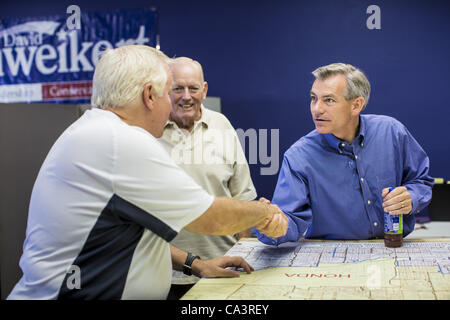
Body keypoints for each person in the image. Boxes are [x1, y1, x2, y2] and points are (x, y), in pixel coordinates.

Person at [7, 45, 288, 300]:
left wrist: (197, 264)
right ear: (150, 95)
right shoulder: (121, 142)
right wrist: (265, 213)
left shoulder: (96, 130)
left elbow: (137, 234)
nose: (173, 104)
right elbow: (211, 219)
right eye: (169, 92)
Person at [257, 62, 433, 246]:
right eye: (313, 98)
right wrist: (274, 226)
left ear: (356, 105)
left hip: (393, 248)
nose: (317, 109)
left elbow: (422, 181)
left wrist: (411, 198)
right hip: (332, 259)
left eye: (329, 100)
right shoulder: (298, 157)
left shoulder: (392, 132)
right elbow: (290, 219)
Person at [158, 57, 257, 299]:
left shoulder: (222, 125)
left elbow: (241, 198)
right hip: (166, 275)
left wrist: (243, 254)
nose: (186, 96)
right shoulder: (151, 130)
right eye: (177, 88)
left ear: (204, 90)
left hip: (224, 270)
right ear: (165, 89)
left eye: (193, 88)